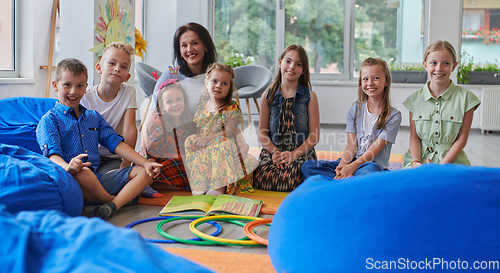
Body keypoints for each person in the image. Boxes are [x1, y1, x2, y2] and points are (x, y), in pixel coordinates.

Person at [36, 58, 162, 220]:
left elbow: (115, 143)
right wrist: (68, 167)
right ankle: (118, 200)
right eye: (67, 85)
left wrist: (145, 163)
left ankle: (111, 206)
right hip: (70, 178)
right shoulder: (49, 120)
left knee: (145, 172)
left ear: (85, 88)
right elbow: (52, 155)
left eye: (80, 85)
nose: (74, 91)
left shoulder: (93, 117)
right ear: (56, 85)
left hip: (97, 179)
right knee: (83, 172)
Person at [301, 57, 402, 179]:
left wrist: (351, 168)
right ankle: (349, 181)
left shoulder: (394, 116)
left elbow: (375, 149)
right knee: (307, 166)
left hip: (371, 166)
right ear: (361, 83)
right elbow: (351, 145)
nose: (370, 83)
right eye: (365, 79)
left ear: (386, 81)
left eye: (376, 78)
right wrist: (342, 168)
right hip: (352, 161)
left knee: (370, 172)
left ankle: (348, 181)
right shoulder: (354, 110)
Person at [403, 40, 480, 167]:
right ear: (425, 65)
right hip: (419, 161)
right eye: (433, 63)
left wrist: (440, 167)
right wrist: (416, 162)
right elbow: (414, 137)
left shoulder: (467, 98)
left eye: (445, 63)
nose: (439, 68)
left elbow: (462, 139)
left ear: (454, 66)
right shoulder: (414, 99)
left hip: (451, 162)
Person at [253, 45, 319, 192]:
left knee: (297, 176)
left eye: (298, 64)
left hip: (300, 152)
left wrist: (293, 155)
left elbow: (314, 137)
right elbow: (262, 134)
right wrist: (275, 152)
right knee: (261, 177)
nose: (292, 67)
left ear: (303, 70)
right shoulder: (267, 96)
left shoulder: (310, 97)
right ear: (279, 62)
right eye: (288, 61)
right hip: (274, 152)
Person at [184, 63, 257, 196]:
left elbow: (229, 133)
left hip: (225, 145)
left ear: (229, 88)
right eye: (215, 81)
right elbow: (200, 131)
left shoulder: (231, 107)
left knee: (223, 144)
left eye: (224, 83)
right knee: (190, 140)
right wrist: (201, 141)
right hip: (208, 146)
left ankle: (220, 186)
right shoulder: (202, 106)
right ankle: (201, 182)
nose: (218, 85)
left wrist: (206, 139)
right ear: (206, 83)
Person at [141, 79, 195, 191]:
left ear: (184, 101)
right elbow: (154, 148)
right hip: (159, 159)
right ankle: (146, 184)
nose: (175, 104)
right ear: (163, 106)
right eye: (169, 102)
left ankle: (160, 185)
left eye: (178, 99)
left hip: (182, 161)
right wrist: (152, 163)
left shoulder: (190, 119)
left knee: (193, 169)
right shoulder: (159, 120)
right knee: (151, 170)